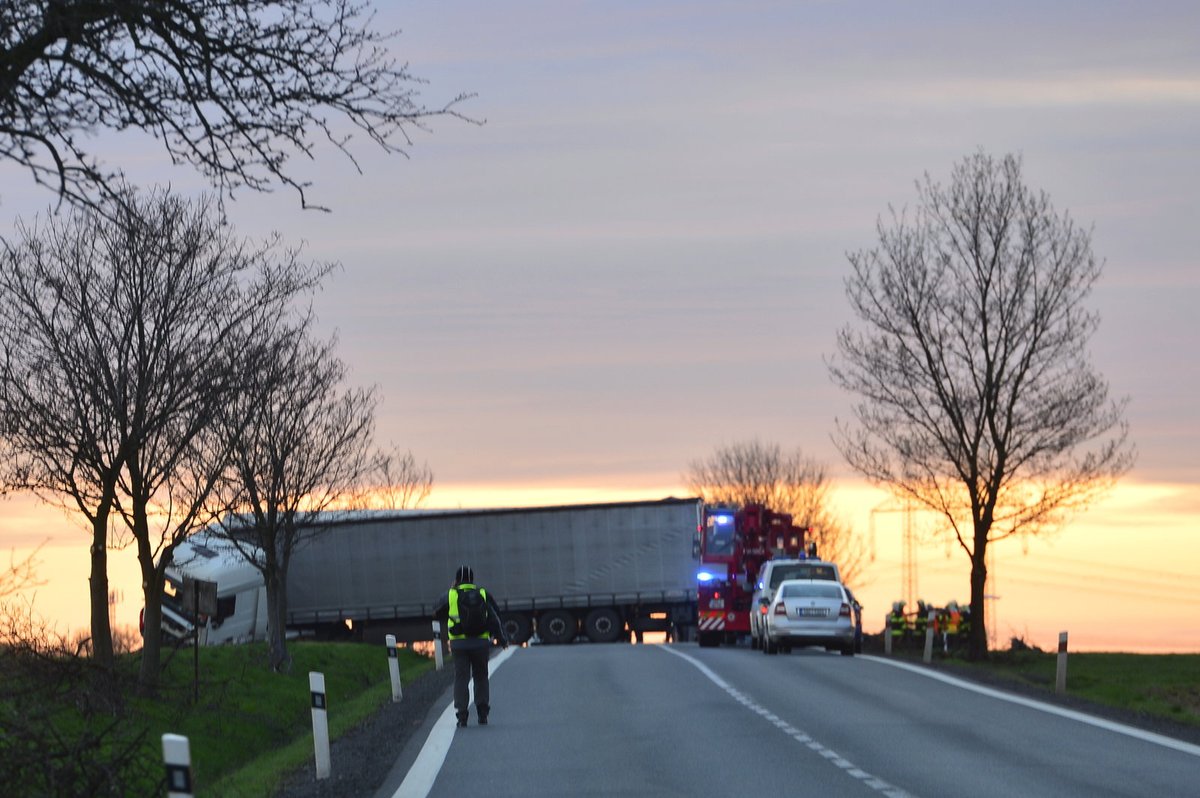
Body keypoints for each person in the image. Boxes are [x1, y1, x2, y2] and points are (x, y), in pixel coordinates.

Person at [434, 565, 508, 727]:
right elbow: (495, 616)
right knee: (481, 676)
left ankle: (462, 715)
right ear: (472, 579)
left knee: (461, 677)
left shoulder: (451, 594)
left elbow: (437, 612)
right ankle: (482, 713)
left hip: (459, 644)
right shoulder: (482, 593)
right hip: (480, 643)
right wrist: (501, 639)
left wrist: (451, 590)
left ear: (457, 579)